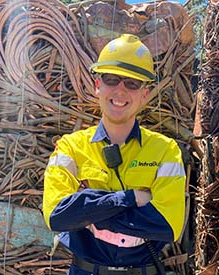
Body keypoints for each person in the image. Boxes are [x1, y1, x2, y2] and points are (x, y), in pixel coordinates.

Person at [43, 34, 186, 275]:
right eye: (111, 79)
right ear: (98, 86)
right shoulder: (71, 147)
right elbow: (58, 217)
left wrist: (87, 207)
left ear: (145, 94)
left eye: (132, 83)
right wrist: (131, 198)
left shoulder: (165, 150)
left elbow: (167, 226)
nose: (120, 90)